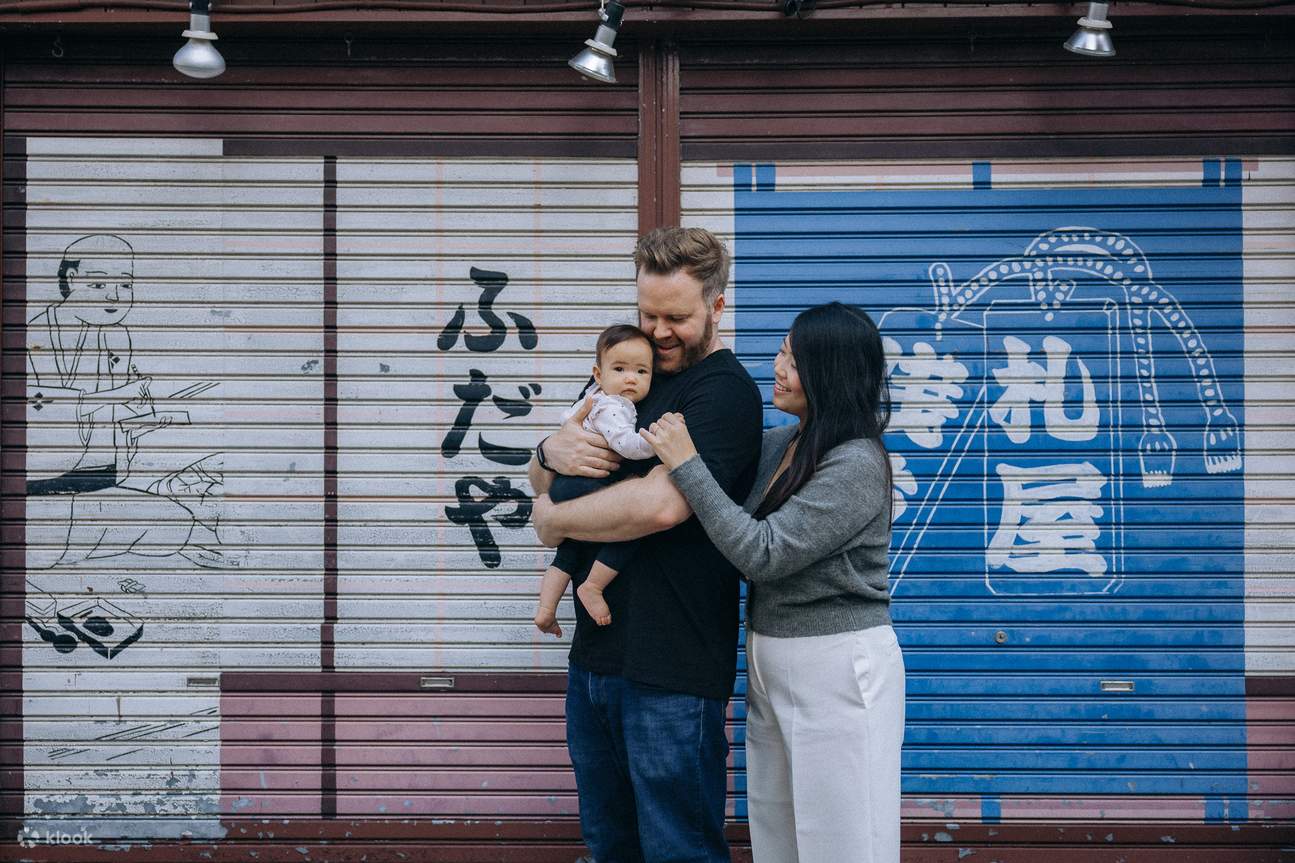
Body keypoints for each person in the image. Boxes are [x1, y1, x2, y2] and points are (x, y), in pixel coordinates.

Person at [641, 301, 906, 863]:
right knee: (776, 828)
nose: (778, 365)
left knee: (843, 835)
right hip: (769, 653)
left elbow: (764, 552)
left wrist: (687, 463)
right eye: (783, 350)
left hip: (838, 663)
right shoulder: (784, 443)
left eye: (793, 356)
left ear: (830, 371)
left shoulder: (858, 462)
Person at [529, 227, 763, 863]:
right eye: (648, 314)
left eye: (676, 318)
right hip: (595, 661)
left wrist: (556, 521)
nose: (658, 333)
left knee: (677, 849)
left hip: (674, 670)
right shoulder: (626, 374)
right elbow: (553, 470)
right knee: (610, 847)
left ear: (716, 307)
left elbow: (660, 504)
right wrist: (546, 454)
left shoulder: (722, 393)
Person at [534, 323, 657, 636]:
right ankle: (592, 586)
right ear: (598, 375)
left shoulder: (593, 398)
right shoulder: (614, 406)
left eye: (642, 372)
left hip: (566, 484)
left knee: (570, 551)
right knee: (629, 532)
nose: (631, 378)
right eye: (620, 369)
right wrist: (655, 442)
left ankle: (546, 609)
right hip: (587, 484)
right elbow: (624, 444)